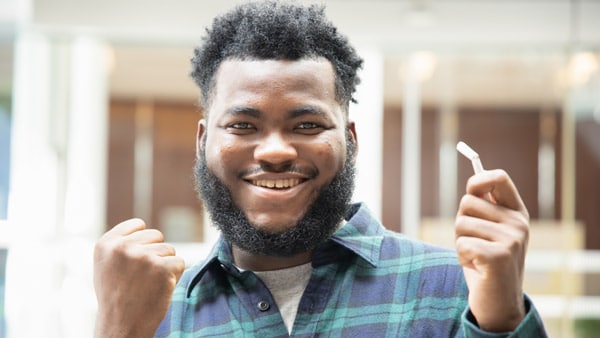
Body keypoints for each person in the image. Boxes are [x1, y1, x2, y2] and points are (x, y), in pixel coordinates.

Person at [93, 1, 548, 337]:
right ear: (202, 142)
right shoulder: (156, 312)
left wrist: (501, 314)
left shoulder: (454, 289)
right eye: (243, 125)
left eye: (307, 124)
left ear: (348, 141)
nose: (274, 151)